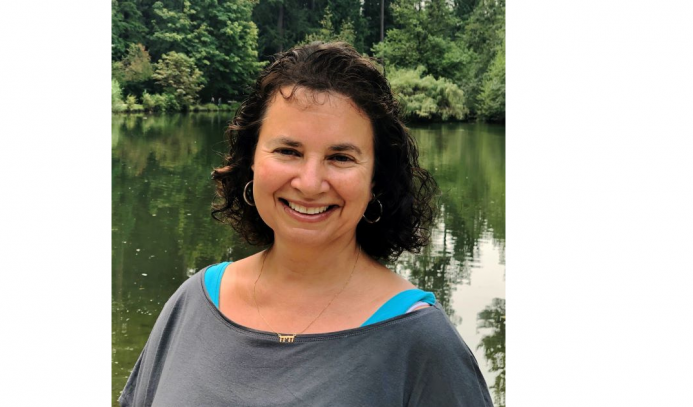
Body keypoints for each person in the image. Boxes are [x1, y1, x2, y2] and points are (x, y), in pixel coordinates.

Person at [119, 42, 493, 407]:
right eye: (288, 151)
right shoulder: (193, 302)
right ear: (251, 160)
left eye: (341, 157)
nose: (310, 183)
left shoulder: (421, 343)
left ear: (376, 178)